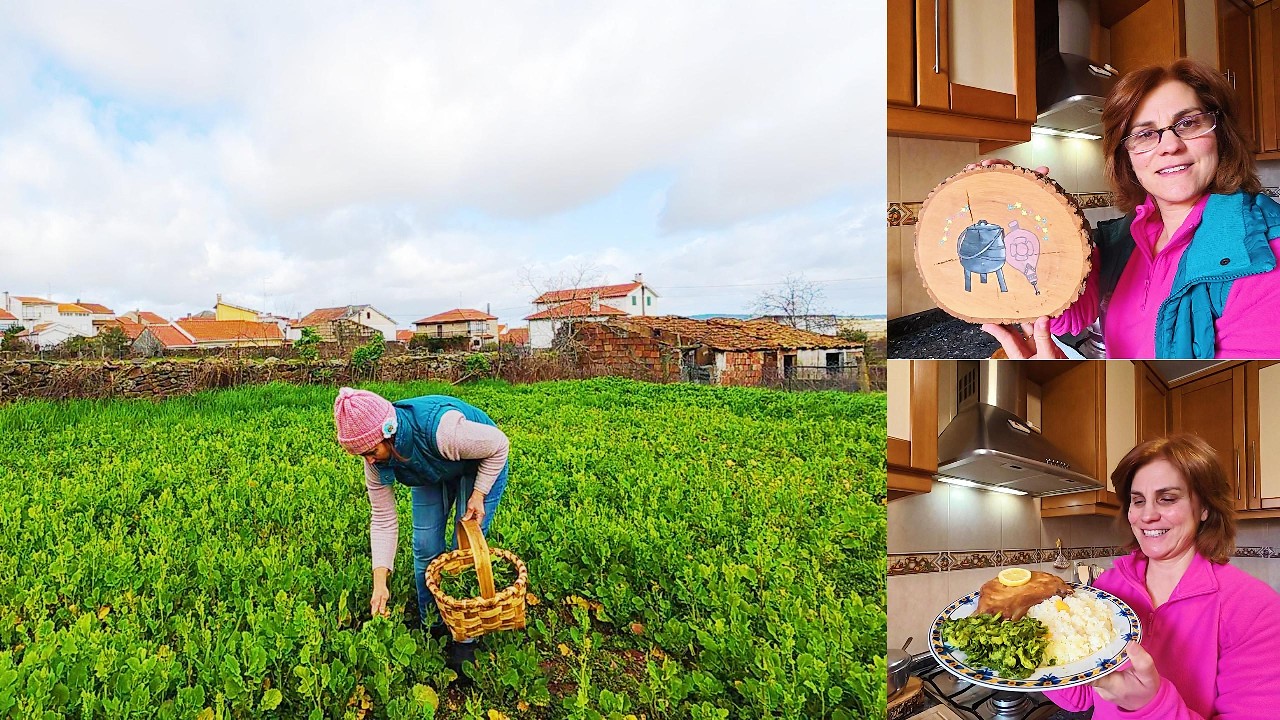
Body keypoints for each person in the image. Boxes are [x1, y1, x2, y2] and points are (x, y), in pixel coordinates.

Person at [982, 58, 1280, 359]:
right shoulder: (1126, 237)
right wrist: (1021, 208)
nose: (1170, 146)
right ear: (1127, 157)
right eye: (1145, 134)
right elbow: (1069, 316)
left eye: (1188, 123)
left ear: (1220, 134)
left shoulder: (1265, 256)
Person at [1044, 434, 1280, 718]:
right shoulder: (1108, 588)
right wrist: (1035, 633)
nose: (1148, 515)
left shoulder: (1256, 608)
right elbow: (1080, 695)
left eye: (1167, 499)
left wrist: (1150, 704)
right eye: (1138, 501)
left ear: (1204, 508)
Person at [332, 386, 510, 675]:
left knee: (461, 553)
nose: (369, 460)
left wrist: (478, 494)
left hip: (479, 462)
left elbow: (499, 444)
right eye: (361, 455)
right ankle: (433, 621)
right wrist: (380, 583)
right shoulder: (375, 458)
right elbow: (383, 519)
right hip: (430, 468)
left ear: (389, 432)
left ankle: (465, 636)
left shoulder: (443, 431)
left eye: (371, 451)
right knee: (425, 545)